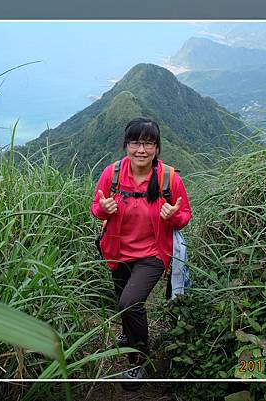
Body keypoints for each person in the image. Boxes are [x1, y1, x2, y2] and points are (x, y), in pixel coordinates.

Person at [90, 117, 192, 384]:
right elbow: (96, 207)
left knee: (130, 302)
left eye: (148, 143)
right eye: (135, 143)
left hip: (153, 253)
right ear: (126, 145)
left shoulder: (169, 178)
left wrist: (173, 216)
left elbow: (184, 216)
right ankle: (128, 330)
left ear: (157, 148)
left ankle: (139, 360)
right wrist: (104, 210)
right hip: (116, 250)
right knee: (124, 299)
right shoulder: (111, 173)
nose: (141, 150)